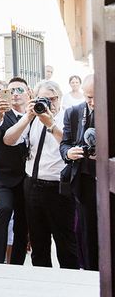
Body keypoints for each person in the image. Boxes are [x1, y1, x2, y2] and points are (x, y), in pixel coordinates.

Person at [4, 80, 79, 269]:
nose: (49, 104)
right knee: (38, 243)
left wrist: (51, 124)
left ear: (60, 98)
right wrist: (28, 117)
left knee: (65, 243)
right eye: (44, 99)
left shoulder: (67, 117)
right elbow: (8, 139)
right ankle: (42, 283)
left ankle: (69, 283)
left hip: (59, 188)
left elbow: (71, 145)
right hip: (32, 185)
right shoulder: (32, 118)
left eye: (52, 99)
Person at [0, 77, 30, 265]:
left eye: (20, 90)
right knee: (4, 209)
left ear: (29, 93)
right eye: (11, 90)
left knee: (22, 219)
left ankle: (17, 263)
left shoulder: (35, 115)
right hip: (2, 176)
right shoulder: (2, 115)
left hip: (26, 178)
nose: (15, 94)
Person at [60, 74, 97, 270]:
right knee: (87, 234)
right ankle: (92, 273)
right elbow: (64, 144)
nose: (91, 102)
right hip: (84, 182)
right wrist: (69, 152)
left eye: (95, 97)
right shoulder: (74, 112)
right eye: (88, 97)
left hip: (108, 179)